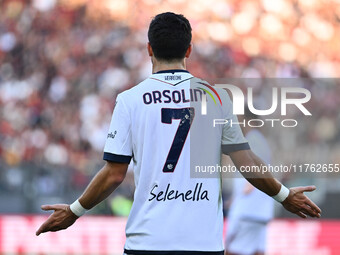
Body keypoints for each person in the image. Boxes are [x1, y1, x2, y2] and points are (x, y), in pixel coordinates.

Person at [36, 12, 321, 255]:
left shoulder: (130, 100)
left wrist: (74, 211)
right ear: (189, 50)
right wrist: (284, 195)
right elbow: (245, 161)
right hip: (203, 243)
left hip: (147, 241)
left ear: (149, 49)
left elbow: (114, 174)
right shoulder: (217, 97)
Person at [225, 108, 274, 255]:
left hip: (247, 209)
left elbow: (258, 171)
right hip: (258, 210)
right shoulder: (258, 139)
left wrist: (244, 192)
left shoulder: (252, 139)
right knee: (257, 250)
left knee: (232, 249)